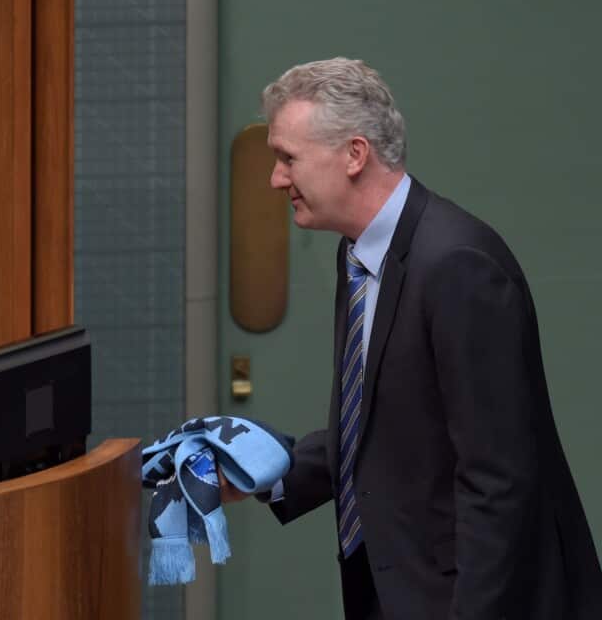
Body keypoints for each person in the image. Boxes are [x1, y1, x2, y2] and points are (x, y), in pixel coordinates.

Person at [226, 57, 602, 618]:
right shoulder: (357, 254)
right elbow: (384, 429)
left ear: (355, 155)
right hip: (396, 588)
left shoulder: (457, 265)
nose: (277, 179)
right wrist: (261, 471)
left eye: (287, 158)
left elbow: (499, 481)